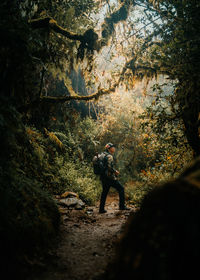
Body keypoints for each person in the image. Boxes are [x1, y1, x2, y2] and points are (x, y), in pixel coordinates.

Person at [99, 143, 129, 213]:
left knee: (104, 192)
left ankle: (101, 209)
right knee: (121, 188)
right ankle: (122, 206)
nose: (114, 148)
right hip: (110, 178)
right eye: (112, 147)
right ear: (109, 149)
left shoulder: (102, 155)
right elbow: (109, 167)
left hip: (103, 177)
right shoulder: (109, 156)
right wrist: (115, 171)